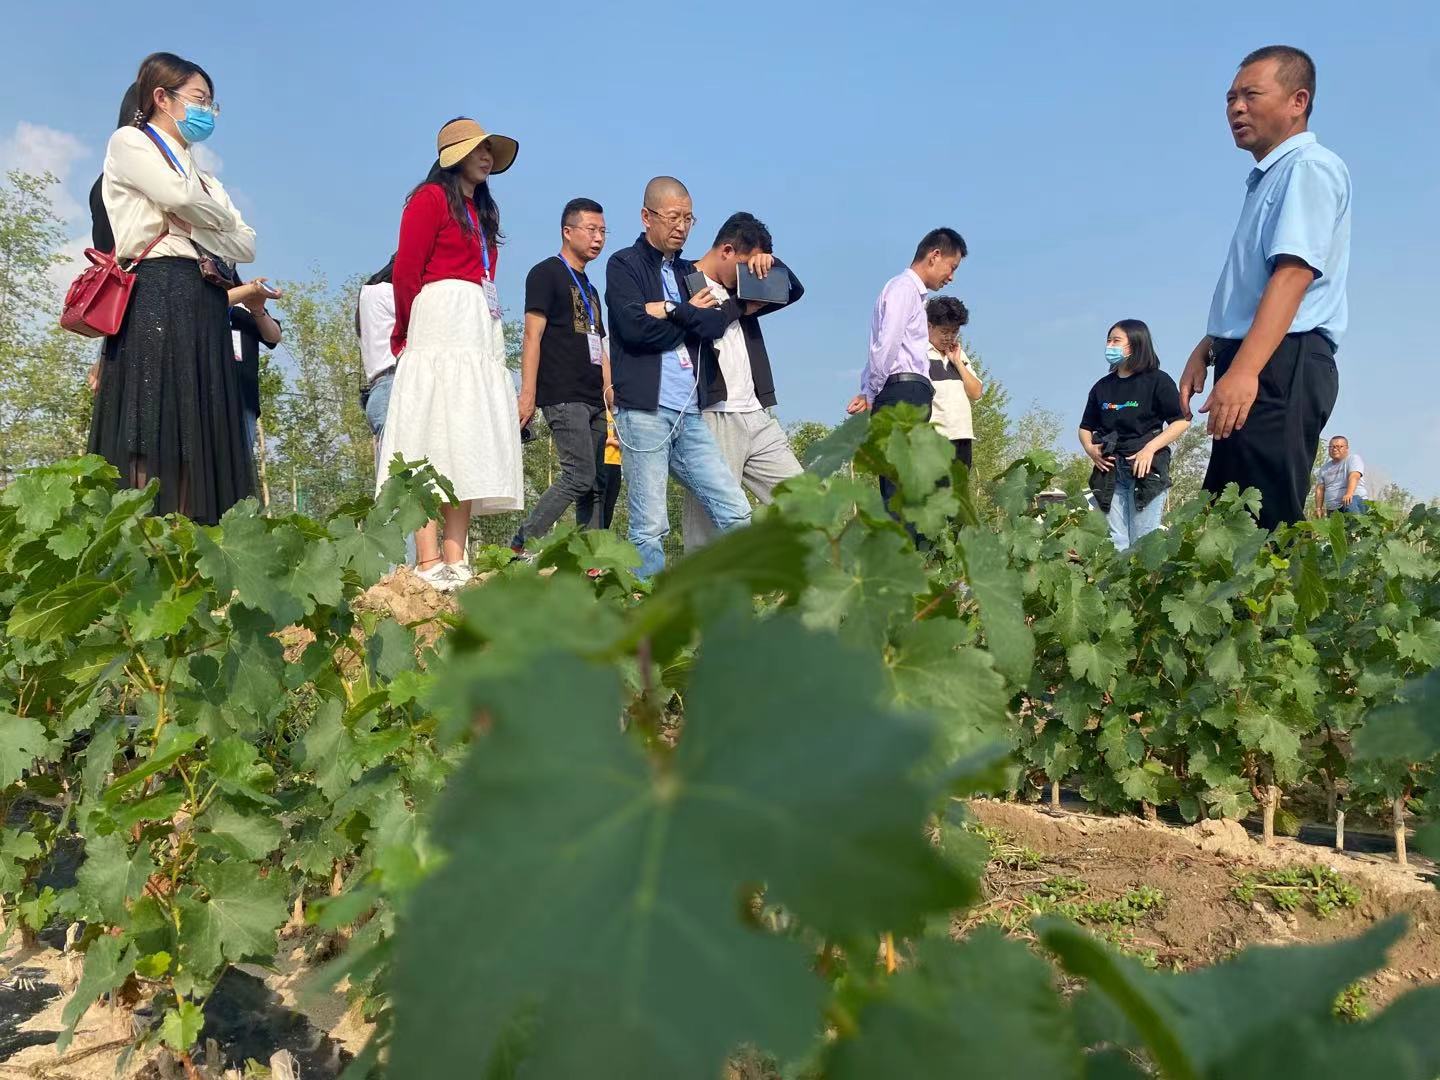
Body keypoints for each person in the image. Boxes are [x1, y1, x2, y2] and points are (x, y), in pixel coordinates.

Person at [1178, 45, 1350, 532]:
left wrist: (1245, 369)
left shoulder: (1308, 168)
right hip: (1257, 356)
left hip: (1281, 362)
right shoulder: (1270, 178)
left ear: (1298, 101)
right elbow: (1253, 283)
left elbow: (1293, 274)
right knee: (1226, 521)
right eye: (1230, 98)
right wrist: (1211, 347)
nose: (1236, 108)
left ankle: (1284, 612)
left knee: (1262, 527)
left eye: (1251, 95)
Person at [88, 52, 257, 524]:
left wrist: (201, 219)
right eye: (200, 99)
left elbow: (246, 245)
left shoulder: (202, 173)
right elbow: (178, 200)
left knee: (196, 427)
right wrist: (208, 218)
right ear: (162, 98)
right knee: (149, 421)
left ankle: (192, 539)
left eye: (212, 104)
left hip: (201, 297)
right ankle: (147, 544)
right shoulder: (129, 143)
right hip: (154, 289)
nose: (208, 112)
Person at [378, 118, 524, 593]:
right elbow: (407, 271)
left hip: (478, 326)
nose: (487, 158)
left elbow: (488, 273)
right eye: (479, 150)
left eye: (490, 151)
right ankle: (426, 558)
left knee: (465, 435)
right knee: (428, 432)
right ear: (453, 154)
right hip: (438, 317)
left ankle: (456, 557)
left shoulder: (483, 211)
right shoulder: (430, 199)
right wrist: (404, 331)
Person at [604, 176, 752, 578]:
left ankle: (740, 592)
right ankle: (645, 610)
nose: (681, 226)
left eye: (688, 218)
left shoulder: (689, 270)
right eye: (672, 217)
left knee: (735, 509)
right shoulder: (624, 265)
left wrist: (671, 309)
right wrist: (690, 315)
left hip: (689, 414)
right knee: (650, 526)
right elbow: (634, 330)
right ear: (646, 216)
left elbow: (714, 324)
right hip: (645, 411)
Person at [681, 212, 806, 550]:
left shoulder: (747, 291)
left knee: (805, 503)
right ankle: (695, 599)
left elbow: (794, 290)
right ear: (726, 251)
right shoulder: (681, 277)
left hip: (755, 413)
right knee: (708, 529)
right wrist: (737, 305)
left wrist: (772, 261)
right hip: (712, 414)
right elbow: (698, 326)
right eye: (746, 265)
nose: (751, 274)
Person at [509, 198, 613, 555]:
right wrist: (527, 394)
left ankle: (591, 561)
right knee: (577, 475)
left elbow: (599, 341)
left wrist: (610, 386)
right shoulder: (545, 273)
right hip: (563, 394)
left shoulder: (592, 289)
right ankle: (523, 541)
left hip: (594, 396)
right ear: (567, 232)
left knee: (598, 483)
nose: (598, 238)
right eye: (591, 230)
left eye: (603, 231)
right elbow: (531, 336)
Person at [847, 228, 967, 522]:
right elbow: (885, 346)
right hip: (902, 391)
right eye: (951, 267)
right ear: (934, 255)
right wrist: (872, 393)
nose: (950, 277)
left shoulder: (913, 295)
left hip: (907, 392)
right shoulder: (903, 289)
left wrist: (868, 391)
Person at [1079, 320, 1191, 552]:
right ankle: (1117, 588)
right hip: (1109, 470)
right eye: (1108, 340)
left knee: (1143, 542)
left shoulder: (1157, 381)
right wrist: (1091, 449)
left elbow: (1180, 423)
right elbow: (1085, 427)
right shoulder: (1102, 387)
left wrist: (1150, 448)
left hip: (1146, 470)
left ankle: (1142, 588)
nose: (1110, 346)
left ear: (1135, 345)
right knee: (1115, 542)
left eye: (1116, 341)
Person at [924, 296, 984, 470]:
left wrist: (957, 362)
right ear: (929, 326)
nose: (949, 337)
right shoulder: (918, 356)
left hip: (962, 436)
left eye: (954, 332)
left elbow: (976, 392)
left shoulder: (959, 355)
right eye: (944, 331)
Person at [227, 275, 282, 451]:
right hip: (203, 393)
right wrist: (249, 289)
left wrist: (257, 309)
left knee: (240, 465)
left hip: (244, 397)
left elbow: (274, 336)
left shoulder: (245, 302)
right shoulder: (202, 291)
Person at [357, 256, 398, 451]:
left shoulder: (369, 296)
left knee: (393, 473)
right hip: (394, 386)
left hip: (381, 388)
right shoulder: (388, 293)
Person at [1315, 435, 1367, 516]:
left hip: (1352, 501)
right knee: (1336, 528)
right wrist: (1319, 508)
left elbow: (1354, 476)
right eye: (1332, 447)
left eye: (1339, 446)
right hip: (1333, 508)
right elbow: (1320, 489)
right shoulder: (1324, 468)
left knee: (1354, 526)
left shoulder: (1352, 459)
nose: (1335, 449)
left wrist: (1349, 493)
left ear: (1346, 448)